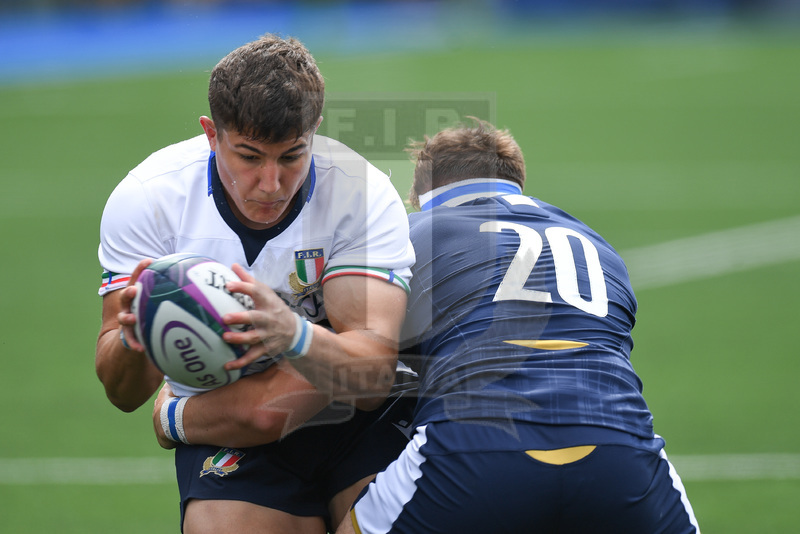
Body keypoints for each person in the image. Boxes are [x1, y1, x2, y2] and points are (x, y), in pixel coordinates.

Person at [95, 34, 415, 534]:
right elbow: (122, 393)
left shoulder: (360, 192)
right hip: (228, 416)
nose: (270, 184)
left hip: (354, 417)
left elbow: (372, 379)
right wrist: (137, 337)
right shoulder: (148, 199)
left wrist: (289, 333)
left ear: (315, 132)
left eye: (292, 156)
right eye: (248, 156)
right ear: (211, 134)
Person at [339, 119, 700, 533]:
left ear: (421, 194)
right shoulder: (596, 242)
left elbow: (359, 355)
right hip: (621, 450)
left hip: (475, 450)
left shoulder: (408, 232)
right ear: (517, 181)